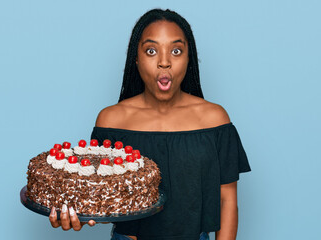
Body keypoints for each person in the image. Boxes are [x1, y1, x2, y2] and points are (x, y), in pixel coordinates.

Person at [49, 8, 251, 240]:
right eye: (151, 50)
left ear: (189, 58)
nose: (164, 62)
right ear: (136, 58)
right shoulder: (111, 120)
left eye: (176, 51)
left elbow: (227, 200)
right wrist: (78, 216)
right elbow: (102, 197)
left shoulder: (215, 120)